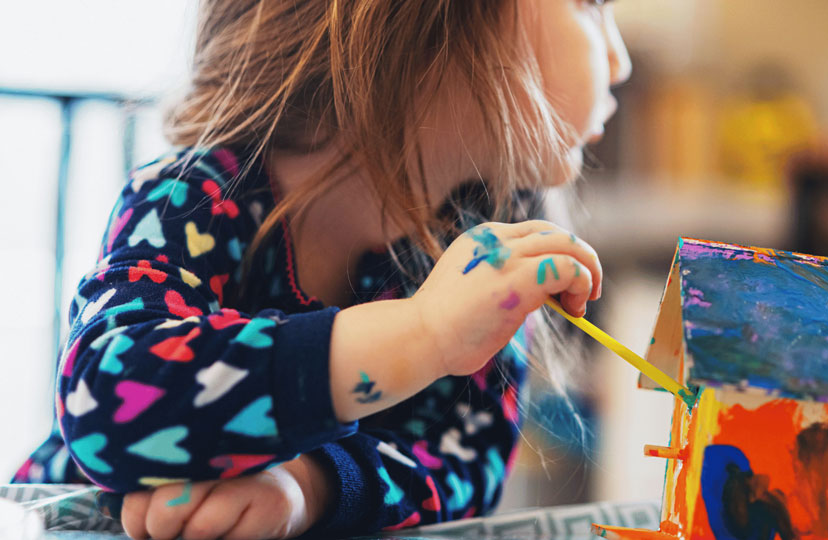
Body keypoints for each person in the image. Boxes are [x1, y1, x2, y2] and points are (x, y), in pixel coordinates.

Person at [15, 0, 631, 538]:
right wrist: (421, 335)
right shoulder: (190, 200)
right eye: (591, 1)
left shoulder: (471, 246)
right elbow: (106, 400)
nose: (620, 61)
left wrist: (311, 486)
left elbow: (466, 465)